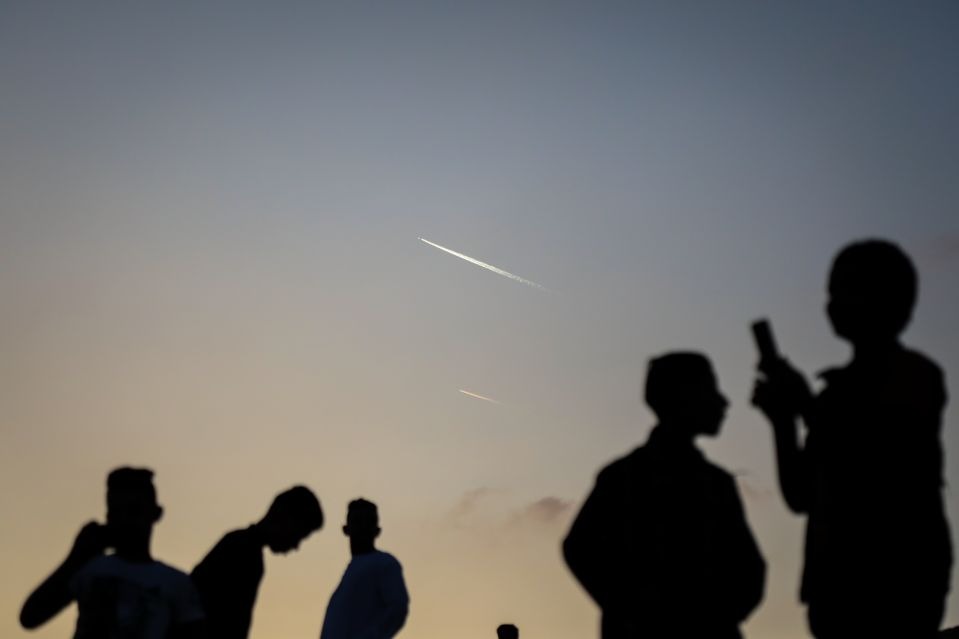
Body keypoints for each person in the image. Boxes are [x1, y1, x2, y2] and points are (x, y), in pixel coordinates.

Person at [752, 239, 952, 638]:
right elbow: (800, 495)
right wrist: (782, 421)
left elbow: (872, 455)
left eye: (844, 290)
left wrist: (805, 406)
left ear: (887, 300)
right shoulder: (834, 398)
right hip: (835, 590)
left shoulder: (917, 377)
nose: (831, 304)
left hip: (898, 582)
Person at [563, 352, 765, 639]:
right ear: (682, 397)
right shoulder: (631, 479)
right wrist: (632, 610)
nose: (723, 402)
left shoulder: (711, 482)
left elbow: (750, 570)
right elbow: (579, 549)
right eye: (709, 389)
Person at [19, 467, 206, 639]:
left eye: (133, 510)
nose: (126, 520)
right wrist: (74, 559)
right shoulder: (89, 569)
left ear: (155, 513)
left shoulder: (175, 583)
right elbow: (30, 617)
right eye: (117, 511)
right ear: (108, 516)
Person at [191, 485, 324, 639]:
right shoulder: (245, 551)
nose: (295, 546)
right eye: (299, 534)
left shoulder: (239, 544)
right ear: (285, 519)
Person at [319, 498, 409, 639]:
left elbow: (398, 607)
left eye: (368, 521)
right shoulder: (351, 574)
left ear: (376, 530)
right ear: (347, 529)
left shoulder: (384, 564)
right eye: (357, 521)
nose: (362, 527)